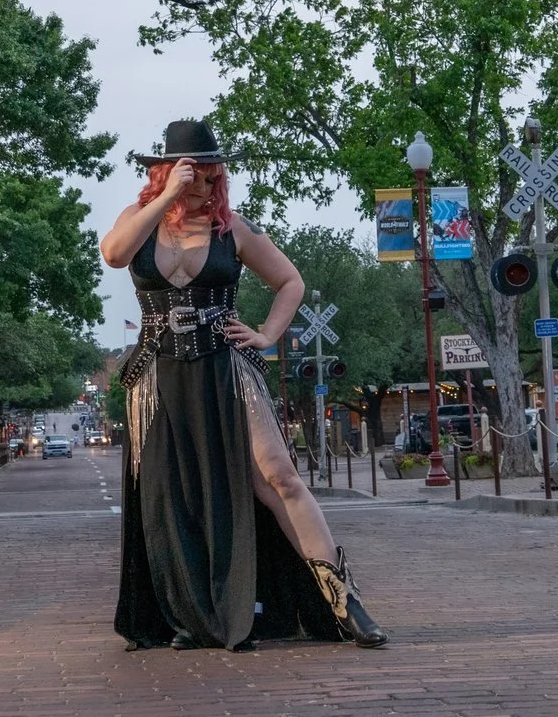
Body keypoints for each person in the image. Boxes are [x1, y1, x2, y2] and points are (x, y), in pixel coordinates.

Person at [102, 119, 385, 652]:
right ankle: (197, 617)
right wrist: (166, 197)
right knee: (173, 496)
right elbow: (115, 254)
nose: (207, 186)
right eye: (196, 175)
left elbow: (290, 281)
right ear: (167, 171)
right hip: (159, 375)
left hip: (225, 368)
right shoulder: (138, 221)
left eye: (213, 176)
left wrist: (267, 335)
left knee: (278, 475)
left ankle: (345, 603)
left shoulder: (234, 230)